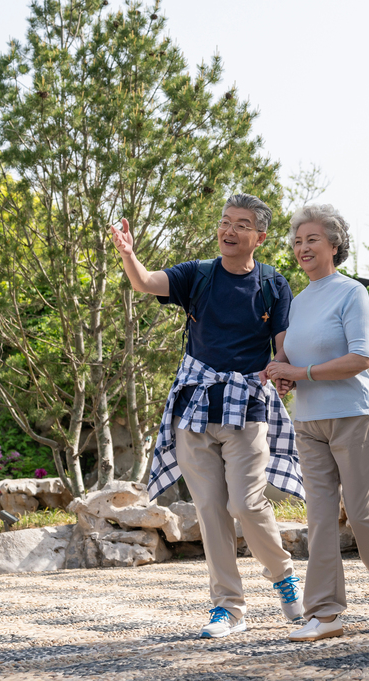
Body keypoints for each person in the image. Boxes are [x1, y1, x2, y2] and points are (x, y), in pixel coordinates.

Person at [109, 194, 306, 638]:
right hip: (195, 407)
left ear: (260, 236)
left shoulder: (273, 284)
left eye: (241, 224)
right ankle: (228, 608)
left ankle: (283, 576)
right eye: (224, 222)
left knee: (246, 502)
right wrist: (128, 253)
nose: (229, 231)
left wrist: (283, 373)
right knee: (211, 510)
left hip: (248, 406)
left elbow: (282, 347)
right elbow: (143, 282)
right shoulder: (196, 274)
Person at [262, 204, 369, 642]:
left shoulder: (351, 293)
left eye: (311, 239)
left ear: (334, 245)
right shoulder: (297, 300)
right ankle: (326, 612)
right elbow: (291, 355)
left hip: (354, 416)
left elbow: (360, 358)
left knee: (366, 513)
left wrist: (302, 374)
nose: (302, 247)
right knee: (321, 518)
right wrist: (280, 370)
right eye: (296, 241)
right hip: (309, 421)